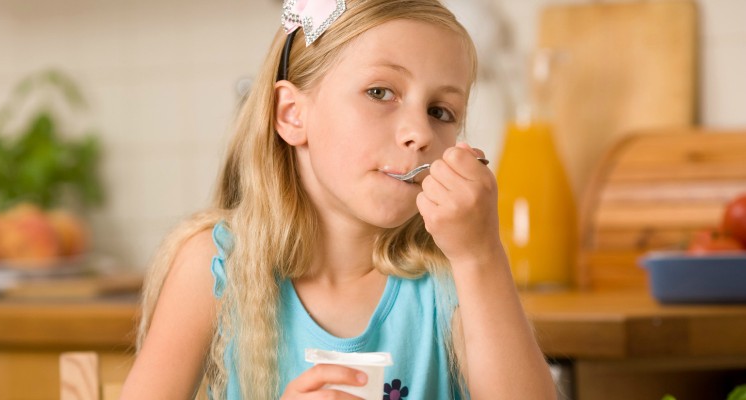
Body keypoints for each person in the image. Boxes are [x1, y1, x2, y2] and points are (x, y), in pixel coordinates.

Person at [120, 0, 557, 399]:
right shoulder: (213, 268)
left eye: (440, 112)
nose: (421, 134)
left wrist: (481, 255)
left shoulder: (452, 279)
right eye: (380, 93)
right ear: (292, 114)